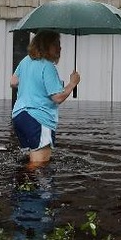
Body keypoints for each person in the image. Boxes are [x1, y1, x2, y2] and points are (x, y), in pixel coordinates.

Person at [10, 30, 80, 168]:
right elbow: (58, 97)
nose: (60, 48)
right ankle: (22, 186)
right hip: (38, 119)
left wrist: (31, 83)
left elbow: (13, 82)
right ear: (45, 45)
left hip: (19, 116)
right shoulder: (48, 66)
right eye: (56, 44)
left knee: (32, 160)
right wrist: (73, 83)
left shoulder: (26, 60)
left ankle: (23, 187)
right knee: (39, 166)